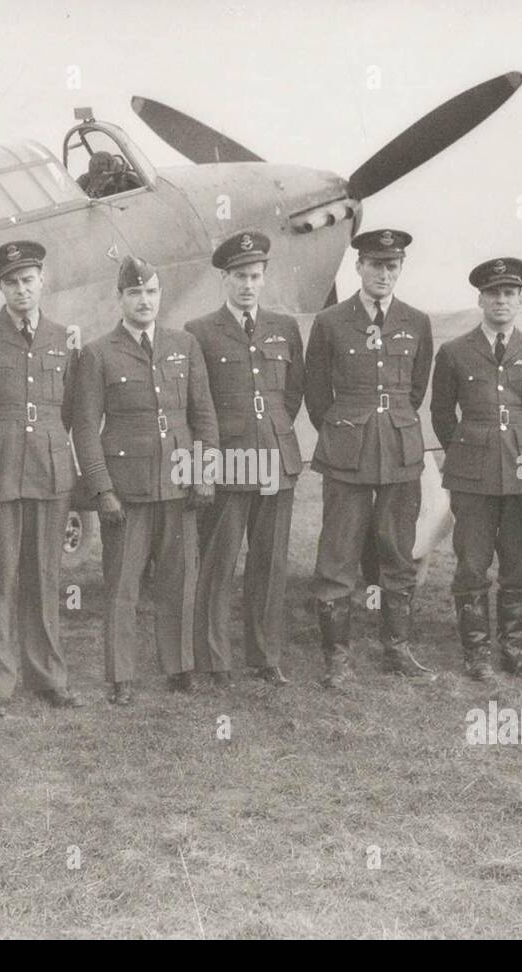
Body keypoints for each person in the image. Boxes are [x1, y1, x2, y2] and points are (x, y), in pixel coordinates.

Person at [72, 256, 218, 705]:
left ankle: (179, 667)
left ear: (160, 296)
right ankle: (123, 678)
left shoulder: (184, 345)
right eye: (135, 293)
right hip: (127, 492)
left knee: (179, 580)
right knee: (122, 587)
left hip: (179, 485)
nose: (144, 301)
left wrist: (203, 472)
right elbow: (85, 428)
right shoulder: (98, 353)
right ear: (120, 298)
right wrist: (102, 490)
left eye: (151, 292)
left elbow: (203, 416)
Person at [0, 241, 84, 713]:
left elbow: (66, 411)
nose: (21, 290)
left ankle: (47, 675)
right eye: (11, 282)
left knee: (44, 577)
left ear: (42, 279)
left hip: (48, 470)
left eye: (28, 280)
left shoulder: (64, 338)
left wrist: (45, 444)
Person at [305, 229, 435, 688]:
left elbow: (415, 390)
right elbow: (317, 393)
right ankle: (336, 658)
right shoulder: (331, 322)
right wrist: (346, 429)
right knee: (337, 555)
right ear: (358, 267)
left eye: (392, 265)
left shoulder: (417, 321)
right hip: (347, 453)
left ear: (400, 268)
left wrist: (389, 424)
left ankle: (396, 649)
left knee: (398, 550)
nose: (384, 273)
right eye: (376, 264)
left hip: (400, 451)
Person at [184, 230, 304, 688]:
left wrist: (270, 432)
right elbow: (199, 404)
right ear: (224, 279)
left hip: (275, 458)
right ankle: (214, 659)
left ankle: (265, 655)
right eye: (239, 276)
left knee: (270, 564)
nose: (247, 285)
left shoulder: (284, 327)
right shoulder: (200, 331)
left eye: (255, 276)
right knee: (218, 562)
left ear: (264, 278)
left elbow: (292, 393)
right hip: (229, 462)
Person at [432, 258, 522, 681]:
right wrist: (469, 450)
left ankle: (516, 650)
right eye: (493, 294)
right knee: (471, 562)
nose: (500, 301)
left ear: (520, 301)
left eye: (509, 294)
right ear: (480, 299)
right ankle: (477, 654)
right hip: (472, 473)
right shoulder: (454, 352)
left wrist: (520, 444)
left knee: (518, 562)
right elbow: (441, 414)